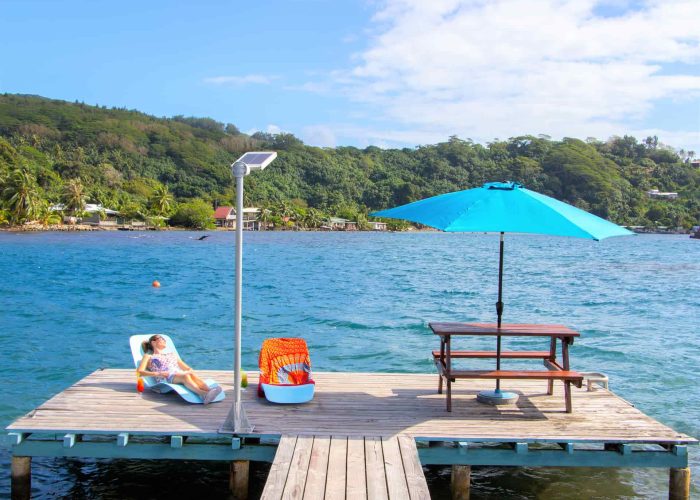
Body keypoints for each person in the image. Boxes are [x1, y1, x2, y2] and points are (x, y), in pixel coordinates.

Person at [137, 334, 222, 404]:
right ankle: (203, 394)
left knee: (189, 373)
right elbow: (140, 372)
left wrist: (190, 370)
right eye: (161, 338)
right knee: (185, 376)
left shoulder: (171, 354)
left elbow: (186, 367)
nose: (164, 340)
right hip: (165, 377)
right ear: (153, 342)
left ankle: (209, 391)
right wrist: (158, 373)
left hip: (177, 374)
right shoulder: (149, 356)